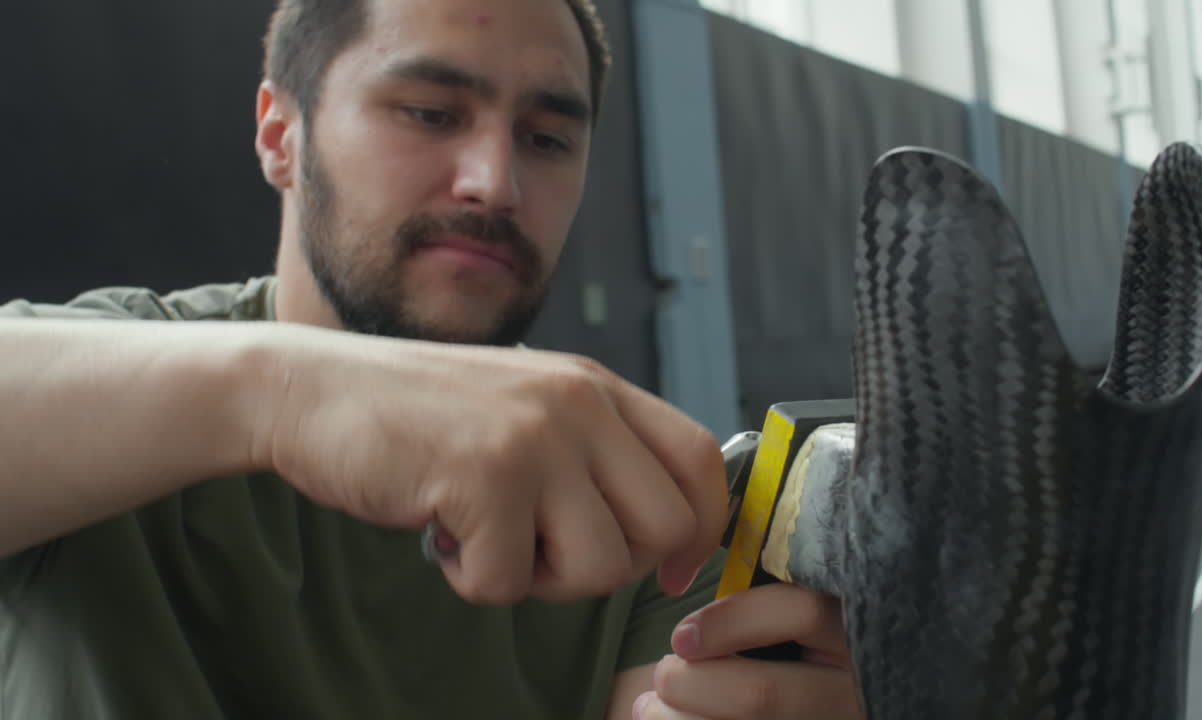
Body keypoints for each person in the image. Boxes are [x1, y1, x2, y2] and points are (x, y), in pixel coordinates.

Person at [0, 0, 860, 717]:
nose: (496, 181)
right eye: (431, 113)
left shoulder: (637, 493)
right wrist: (289, 392)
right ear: (279, 135)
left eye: (548, 138)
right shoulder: (108, 385)